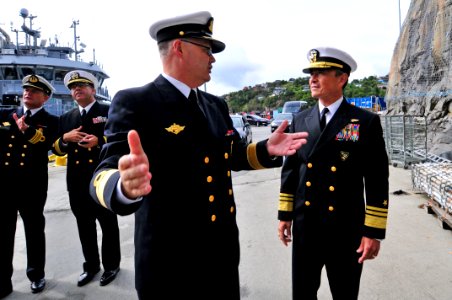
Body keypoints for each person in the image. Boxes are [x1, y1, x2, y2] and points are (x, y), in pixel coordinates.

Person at [88, 11, 308, 299]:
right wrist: (124, 186)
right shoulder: (136, 101)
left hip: (222, 254)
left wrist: (266, 149)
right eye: (206, 50)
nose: (213, 59)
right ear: (179, 48)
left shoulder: (214, 104)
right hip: (170, 264)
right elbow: (101, 173)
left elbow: (230, 155)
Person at [277, 46, 390, 299]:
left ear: (342, 78)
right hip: (306, 226)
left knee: (345, 293)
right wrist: (285, 214)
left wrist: (372, 231)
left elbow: (376, 179)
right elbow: (291, 171)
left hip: (345, 228)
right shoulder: (301, 120)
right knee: (303, 293)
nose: (312, 79)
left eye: (321, 72)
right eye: (311, 73)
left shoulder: (364, 121)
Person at [52, 70, 121, 287]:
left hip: (103, 178)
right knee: (84, 226)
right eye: (73, 87)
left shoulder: (109, 111)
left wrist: (99, 141)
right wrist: (65, 138)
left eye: (82, 85)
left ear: (93, 89)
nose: (77, 89)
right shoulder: (66, 118)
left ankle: (112, 266)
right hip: (77, 182)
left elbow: (120, 138)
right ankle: (91, 266)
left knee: (108, 224)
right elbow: (57, 149)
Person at [0, 75, 59, 297]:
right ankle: (3, 280)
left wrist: (29, 131)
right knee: (3, 233)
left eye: (34, 91)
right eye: (26, 89)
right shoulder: (5, 115)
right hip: (4, 185)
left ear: (45, 97)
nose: (28, 93)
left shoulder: (52, 121)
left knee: (34, 231)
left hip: (32, 185)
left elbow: (50, 145)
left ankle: (36, 275)